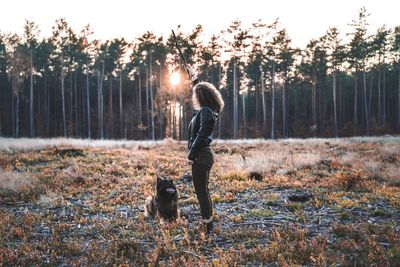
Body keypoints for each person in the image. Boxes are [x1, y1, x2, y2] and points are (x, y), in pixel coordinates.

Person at [187, 81, 224, 234]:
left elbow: (201, 135)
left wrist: (192, 154)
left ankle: (207, 224)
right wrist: (197, 83)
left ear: (200, 97)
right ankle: (207, 221)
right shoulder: (210, 111)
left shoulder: (205, 112)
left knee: (201, 191)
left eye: (197, 94)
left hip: (201, 155)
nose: (194, 96)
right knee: (203, 190)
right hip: (204, 155)